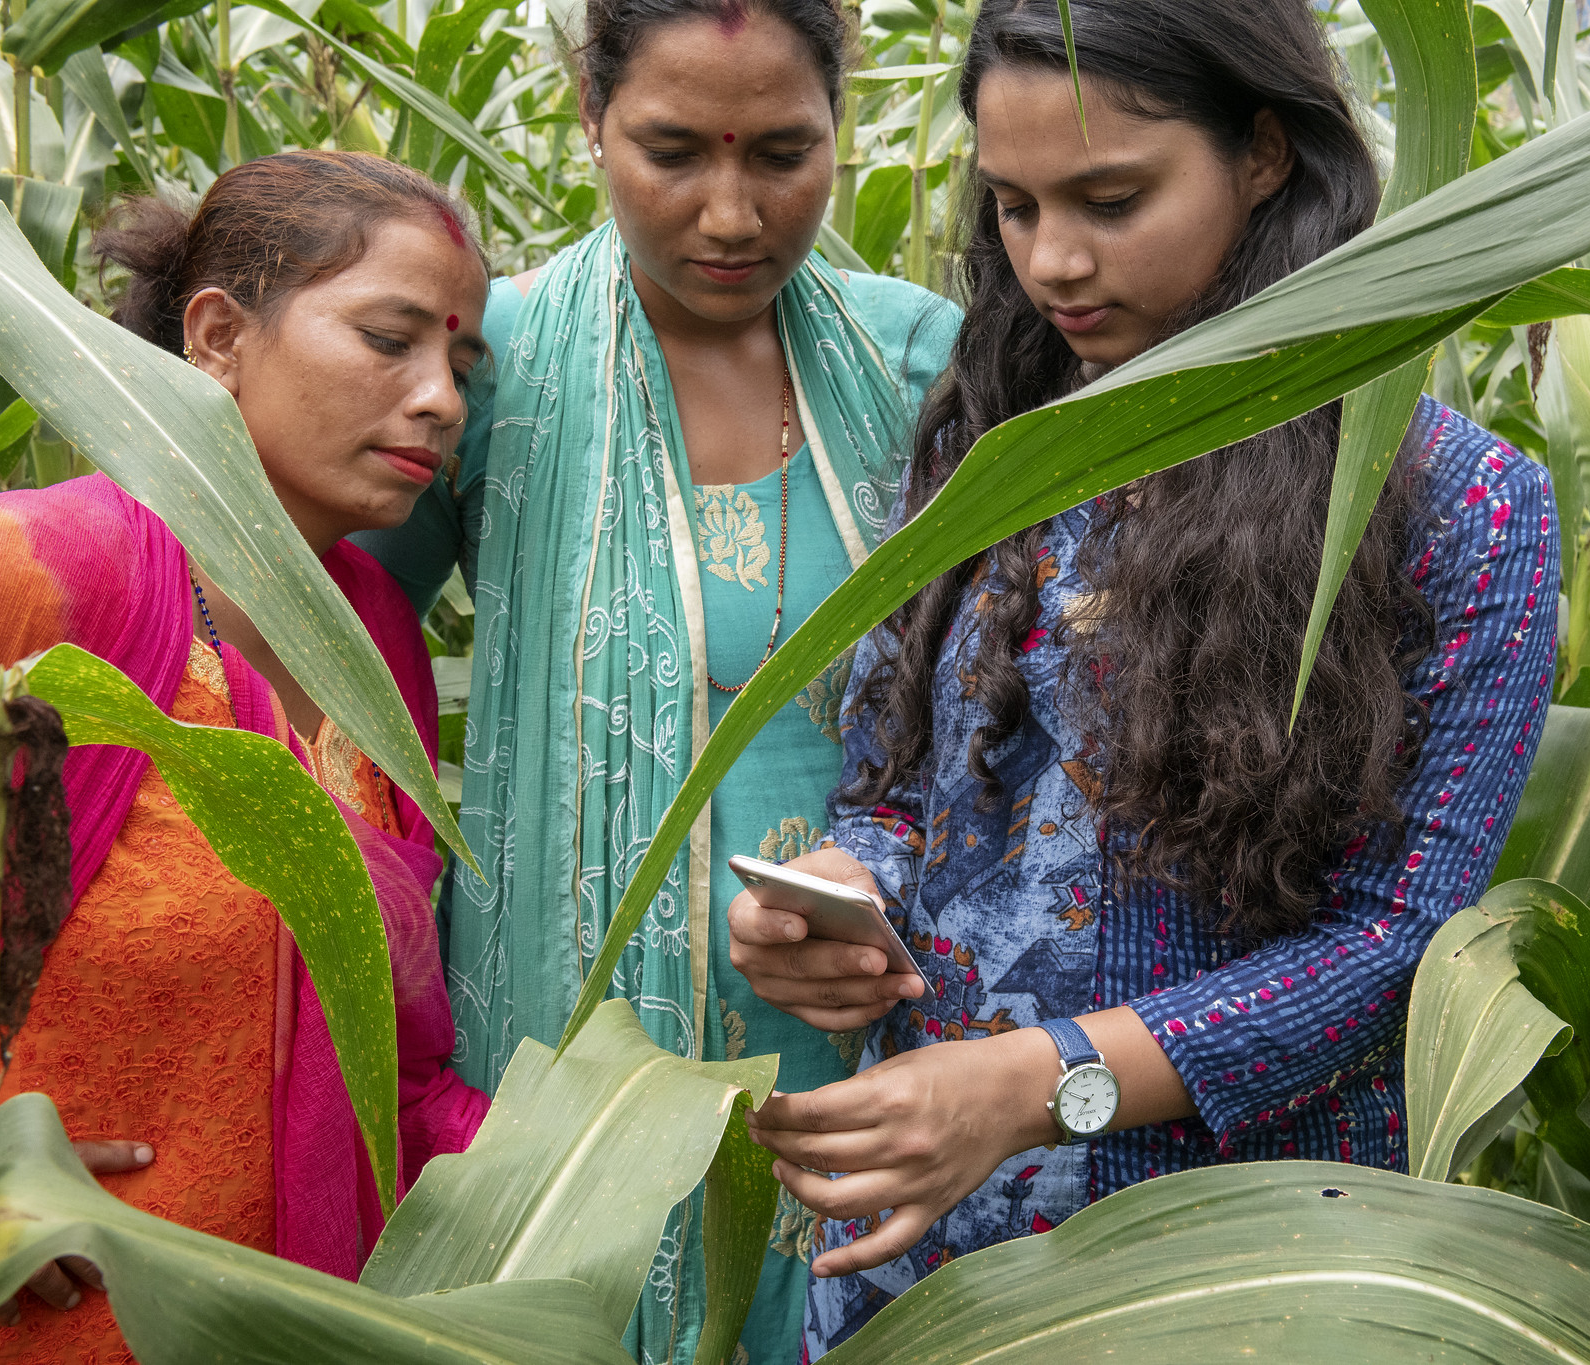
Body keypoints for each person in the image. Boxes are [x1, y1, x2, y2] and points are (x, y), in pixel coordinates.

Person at [721, 1, 1560, 1353]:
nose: (1051, 259)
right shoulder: (995, 452)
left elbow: (1398, 947)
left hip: (1232, 1269)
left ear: (1268, 154)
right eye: (1011, 206)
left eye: (1112, 199)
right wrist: (844, 888)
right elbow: (901, 790)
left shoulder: (1458, 509)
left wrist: (1044, 1084)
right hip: (933, 1245)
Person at [351, 2, 956, 1358]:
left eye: (783, 154)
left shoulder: (919, 363)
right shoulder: (486, 371)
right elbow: (328, 641)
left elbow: (1010, 720)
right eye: (674, 151)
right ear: (591, 118)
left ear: (840, 130)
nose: (731, 217)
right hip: (575, 1078)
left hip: (858, 1049)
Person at [0, 149, 495, 1362]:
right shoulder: (26, 580)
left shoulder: (372, 645)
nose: (441, 396)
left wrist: (638, 1138)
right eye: (390, 339)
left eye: (460, 360)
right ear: (216, 335)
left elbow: (387, 1060)